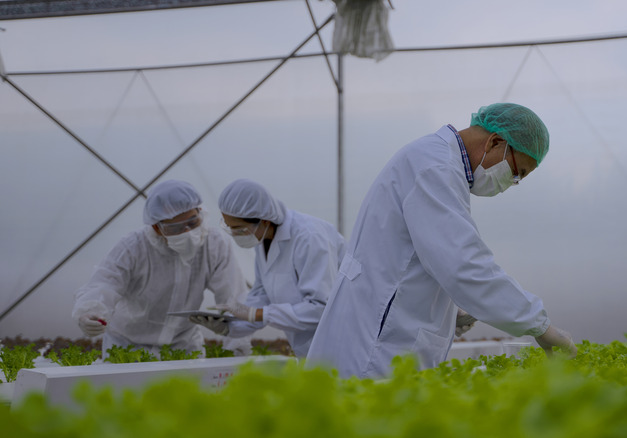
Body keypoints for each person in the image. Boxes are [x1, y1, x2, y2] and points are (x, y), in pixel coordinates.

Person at [306, 103, 577, 378]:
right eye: (518, 172)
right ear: (496, 142)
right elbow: (463, 265)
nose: (512, 183)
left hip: (378, 333)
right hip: (374, 351)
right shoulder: (434, 167)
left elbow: (415, 259)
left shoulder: (437, 162)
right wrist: (540, 326)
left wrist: (449, 312)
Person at [72, 180, 247, 357]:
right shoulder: (132, 247)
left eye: (193, 222)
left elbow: (233, 296)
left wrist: (238, 345)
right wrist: (91, 311)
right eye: (176, 228)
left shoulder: (215, 244)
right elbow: (105, 283)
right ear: (156, 227)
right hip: (127, 346)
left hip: (184, 347)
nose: (188, 232)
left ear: (201, 212)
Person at [189, 179, 346, 358]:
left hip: (343, 343)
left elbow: (321, 308)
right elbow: (262, 297)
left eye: (239, 229)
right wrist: (229, 327)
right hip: (310, 349)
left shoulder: (309, 237)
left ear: (264, 221)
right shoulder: (262, 240)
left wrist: (258, 314)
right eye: (229, 228)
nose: (235, 235)